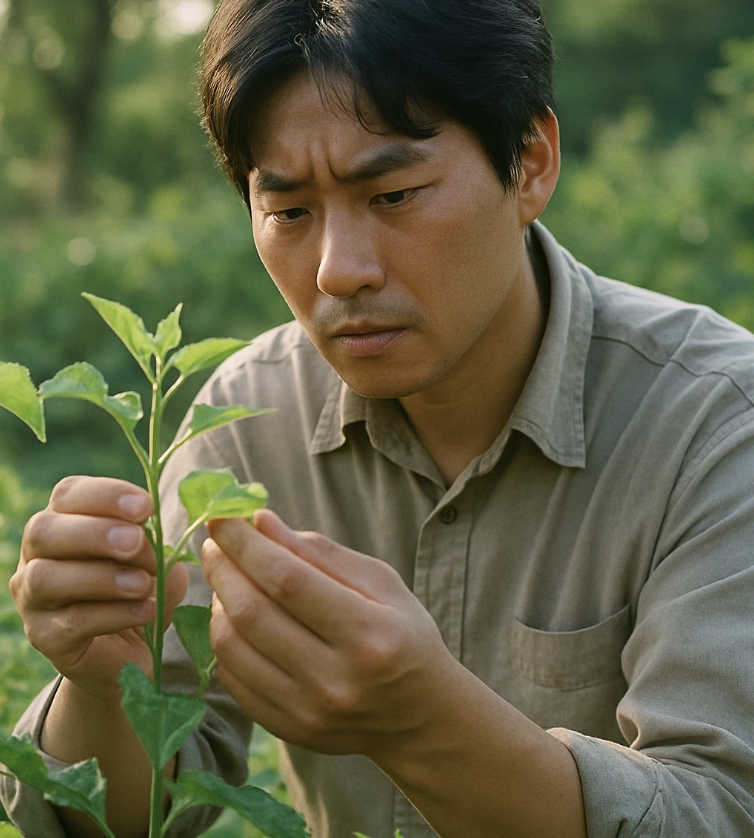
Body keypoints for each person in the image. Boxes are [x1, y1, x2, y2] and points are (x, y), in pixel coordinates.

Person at [4, 0, 754, 835]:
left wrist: (421, 721)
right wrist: (108, 687)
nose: (338, 271)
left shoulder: (717, 422)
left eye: (393, 194)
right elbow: (147, 805)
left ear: (532, 162)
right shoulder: (246, 424)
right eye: (289, 212)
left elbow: (720, 810)